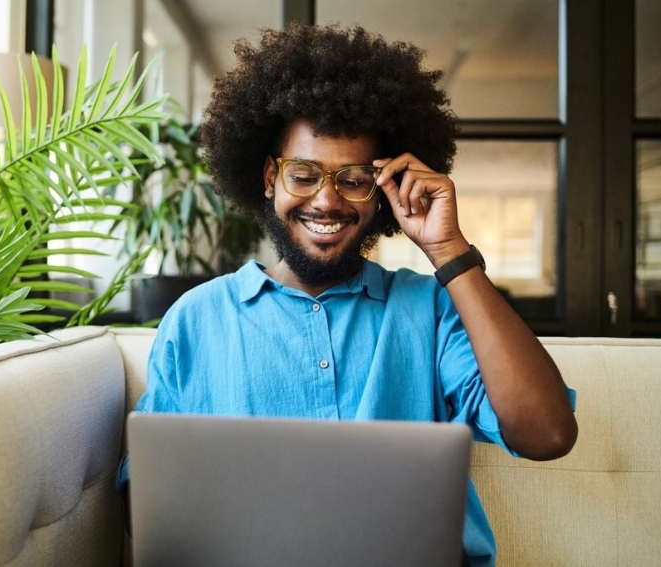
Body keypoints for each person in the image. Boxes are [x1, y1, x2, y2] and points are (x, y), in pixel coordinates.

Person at [119, 23, 578, 566]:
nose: (328, 201)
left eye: (354, 178)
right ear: (270, 177)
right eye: (304, 174)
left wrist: (449, 249)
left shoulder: (429, 310)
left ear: (383, 188)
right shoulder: (197, 319)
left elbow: (547, 433)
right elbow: (143, 500)